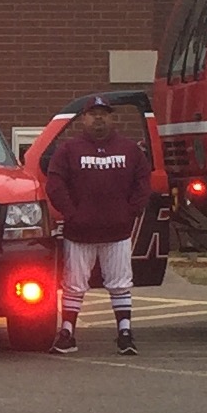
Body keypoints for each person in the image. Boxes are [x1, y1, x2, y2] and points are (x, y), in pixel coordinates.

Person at [43, 98, 153, 357]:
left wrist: (129, 212)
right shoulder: (68, 150)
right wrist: (72, 214)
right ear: (84, 119)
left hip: (117, 232)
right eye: (93, 114)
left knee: (120, 283)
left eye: (104, 113)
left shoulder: (130, 150)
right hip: (79, 233)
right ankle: (67, 333)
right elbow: (55, 184)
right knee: (74, 284)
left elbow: (143, 182)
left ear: (112, 118)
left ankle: (125, 333)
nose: (99, 118)